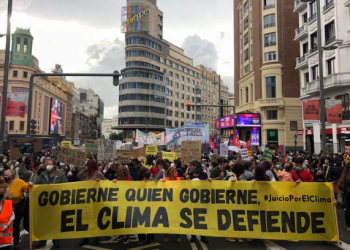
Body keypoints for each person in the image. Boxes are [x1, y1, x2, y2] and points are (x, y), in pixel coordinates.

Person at [32, 159, 67, 249]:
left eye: (50, 164)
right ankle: (42, 241)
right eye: (46, 164)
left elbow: (66, 186)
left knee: (55, 222)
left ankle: (56, 240)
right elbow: (36, 185)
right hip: (44, 203)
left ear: (54, 165)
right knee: (43, 223)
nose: (48, 165)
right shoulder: (42, 175)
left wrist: (55, 187)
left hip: (56, 203)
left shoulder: (61, 175)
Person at [77, 159, 106, 247]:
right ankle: (86, 238)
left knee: (95, 218)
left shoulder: (98, 173)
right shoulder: (87, 173)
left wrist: (100, 182)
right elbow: (78, 175)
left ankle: (95, 238)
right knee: (86, 218)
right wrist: (86, 169)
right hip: (87, 200)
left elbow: (105, 182)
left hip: (96, 200)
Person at [185, 161, 209, 244]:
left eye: (191, 166)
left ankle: (203, 236)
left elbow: (208, 185)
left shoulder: (204, 174)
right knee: (192, 217)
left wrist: (209, 180)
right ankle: (193, 236)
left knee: (202, 218)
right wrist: (187, 176)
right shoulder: (190, 175)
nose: (190, 167)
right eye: (190, 166)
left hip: (201, 199)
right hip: (192, 199)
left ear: (196, 166)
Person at [3, 169, 29, 249]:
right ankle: (5, 242)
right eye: (4, 175)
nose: (4, 177)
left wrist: (30, 185)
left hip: (18, 207)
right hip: (6, 207)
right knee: (6, 225)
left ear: (11, 176)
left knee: (15, 224)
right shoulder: (3, 183)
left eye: (6, 175)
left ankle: (16, 241)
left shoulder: (19, 182)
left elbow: (27, 189)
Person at [162, 166, 182, 242]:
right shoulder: (165, 180)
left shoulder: (179, 179)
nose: (175, 172)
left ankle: (178, 236)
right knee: (166, 220)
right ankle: (166, 236)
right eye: (173, 171)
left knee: (177, 219)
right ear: (169, 172)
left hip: (177, 203)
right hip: (167, 204)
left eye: (175, 170)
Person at [0, 177, 14, 250]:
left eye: (2, 193)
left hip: (5, 240)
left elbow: (12, 215)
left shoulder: (7, 203)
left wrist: (7, 225)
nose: (1, 195)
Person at [339, 163, 350, 231]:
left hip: (347, 192)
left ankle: (347, 224)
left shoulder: (345, 174)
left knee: (348, 208)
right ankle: (348, 225)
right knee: (349, 209)